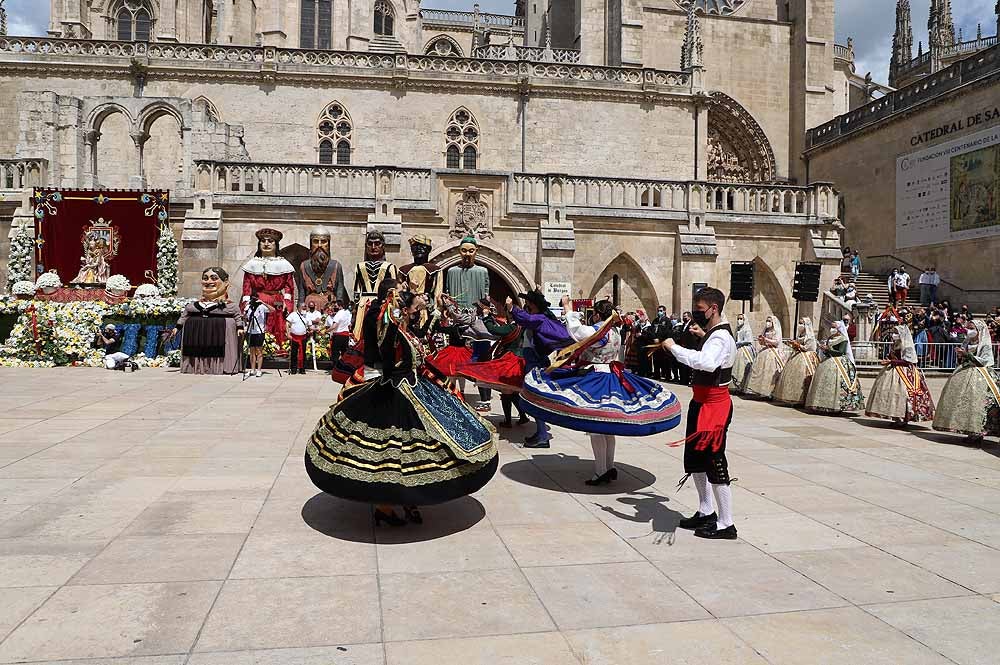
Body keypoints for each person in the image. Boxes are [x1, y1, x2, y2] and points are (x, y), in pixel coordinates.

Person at [304, 288, 498, 527]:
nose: (419, 313)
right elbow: (383, 351)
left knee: (424, 447)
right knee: (389, 453)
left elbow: (423, 344)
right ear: (404, 310)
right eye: (416, 309)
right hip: (395, 391)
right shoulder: (393, 333)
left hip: (415, 388)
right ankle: (385, 508)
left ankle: (410, 501)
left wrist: (437, 313)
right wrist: (387, 319)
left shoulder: (408, 332)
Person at [521, 297, 681, 484]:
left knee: (596, 426)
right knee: (607, 428)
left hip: (597, 377)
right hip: (611, 374)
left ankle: (600, 471)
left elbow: (578, 332)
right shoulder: (614, 330)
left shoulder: (601, 330)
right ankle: (608, 467)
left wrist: (568, 309)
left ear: (597, 314)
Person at [663, 287, 738, 540]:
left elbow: (707, 363)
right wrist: (702, 335)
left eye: (700, 309)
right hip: (701, 402)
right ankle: (706, 510)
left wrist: (674, 348)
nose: (696, 313)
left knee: (714, 461)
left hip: (714, 407)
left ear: (713, 309)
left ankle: (727, 523)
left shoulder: (719, 338)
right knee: (695, 460)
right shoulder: (713, 335)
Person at [508, 288, 574, 447]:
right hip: (534, 361)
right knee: (533, 396)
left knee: (535, 397)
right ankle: (540, 432)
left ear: (532, 304)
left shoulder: (538, 318)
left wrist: (511, 308)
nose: (526, 304)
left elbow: (524, 318)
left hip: (535, 363)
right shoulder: (539, 317)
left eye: (528, 302)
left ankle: (542, 436)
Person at [456, 298, 531, 428]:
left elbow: (493, 330)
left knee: (506, 392)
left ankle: (508, 421)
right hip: (519, 360)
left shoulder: (512, 327)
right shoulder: (522, 326)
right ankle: (522, 416)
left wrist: (486, 317)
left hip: (510, 361)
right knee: (512, 392)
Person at [933, 319, 1000, 444]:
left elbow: (985, 361)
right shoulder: (967, 341)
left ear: (979, 330)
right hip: (964, 372)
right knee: (962, 403)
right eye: (968, 328)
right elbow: (963, 359)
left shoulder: (984, 343)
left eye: (972, 328)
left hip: (980, 375)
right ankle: (968, 430)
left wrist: (967, 355)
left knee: (977, 404)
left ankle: (978, 433)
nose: (969, 331)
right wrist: (960, 355)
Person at [171, 267, 244, 375]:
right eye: (205, 278)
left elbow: (237, 316)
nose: (209, 281)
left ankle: (221, 366)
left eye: (214, 278)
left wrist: (239, 328)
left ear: (225, 283)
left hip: (219, 334)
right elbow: (184, 315)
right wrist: (177, 328)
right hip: (197, 336)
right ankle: (194, 366)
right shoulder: (193, 306)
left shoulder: (229, 306)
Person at [865, 324, 935, 426]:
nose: (894, 335)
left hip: (905, 372)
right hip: (893, 369)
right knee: (892, 394)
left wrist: (891, 361)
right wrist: (889, 358)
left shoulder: (906, 345)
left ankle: (904, 418)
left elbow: (908, 361)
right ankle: (897, 417)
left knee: (903, 394)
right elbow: (893, 355)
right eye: (894, 333)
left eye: (896, 333)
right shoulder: (895, 344)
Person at [241, 228, 295, 350]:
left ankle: (276, 348)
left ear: (276, 245)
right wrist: (246, 303)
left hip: (277, 301)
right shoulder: (252, 264)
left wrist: (287, 302)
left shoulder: (284, 265)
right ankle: (257, 350)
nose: (266, 244)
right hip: (258, 300)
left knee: (278, 324)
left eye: (270, 241)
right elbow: (246, 287)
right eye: (263, 241)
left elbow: (289, 287)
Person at [806, 320, 864, 414]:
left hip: (839, 362)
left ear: (839, 328)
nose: (832, 329)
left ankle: (838, 406)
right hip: (828, 361)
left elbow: (841, 352)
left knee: (838, 383)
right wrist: (824, 349)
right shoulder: (830, 338)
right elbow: (828, 351)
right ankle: (823, 404)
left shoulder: (843, 339)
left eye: (834, 327)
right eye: (831, 327)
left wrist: (828, 349)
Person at [352, 230, 399, 339]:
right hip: (363, 305)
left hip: (383, 304)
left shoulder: (390, 267)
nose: (373, 247)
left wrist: (394, 310)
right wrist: (355, 310)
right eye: (370, 244)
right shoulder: (359, 266)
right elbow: (356, 290)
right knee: (361, 335)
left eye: (377, 244)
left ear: (383, 246)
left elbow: (394, 290)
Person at [298, 226, 349, 311]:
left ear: (328, 245)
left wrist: (339, 304)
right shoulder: (304, 266)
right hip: (310, 305)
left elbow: (340, 288)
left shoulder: (336, 266)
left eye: (323, 242)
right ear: (311, 244)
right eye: (315, 241)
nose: (319, 245)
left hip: (330, 305)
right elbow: (302, 290)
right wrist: (300, 305)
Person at [772, 317, 819, 406]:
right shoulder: (800, 335)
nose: (800, 325)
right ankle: (793, 397)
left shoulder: (810, 336)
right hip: (798, 355)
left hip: (807, 358)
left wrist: (798, 345)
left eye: (802, 323)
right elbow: (797, 346)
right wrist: (793, 344)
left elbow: (808, 348)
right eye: (799, 323)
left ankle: (804, 398)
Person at [744, 315, 784, 398]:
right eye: (767, 320)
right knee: (759, 370)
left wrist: (766, 340)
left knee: (769, 371)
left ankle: (768, 392)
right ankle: (757, 390)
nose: (767, 322)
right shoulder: (766, 330)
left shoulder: (776, 331)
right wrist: (761, 340)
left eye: (769, 321)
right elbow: (763, 343)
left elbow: (777, 342)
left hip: (772, 352)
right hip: (764, 351)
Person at [243, 294, 272, 378]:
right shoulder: (248, 307)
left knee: (259, 351)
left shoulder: (261, 306)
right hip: (250, 331)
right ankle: (253, 369)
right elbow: (245, 317)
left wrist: (263, 302)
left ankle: (259, 370)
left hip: (259, 331)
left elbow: (272, 310)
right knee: (251, 352)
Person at [730, 313, 756, 395]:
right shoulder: (737, 329)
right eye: (738, 318)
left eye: (741, 319)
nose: (739, 320)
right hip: (738, 348)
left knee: (743, 366)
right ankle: (736, 386)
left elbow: (748, 340)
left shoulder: (747, 329)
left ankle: (742, 386)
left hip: (745, 349)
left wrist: (739, 343)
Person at [286, 302, 311, 374]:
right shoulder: (293, 315)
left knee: (303, 353)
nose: (304, 308)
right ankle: (293, 368)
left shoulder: (307, 315)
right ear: (298, 308)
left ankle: (302, 368)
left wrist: (314, 329)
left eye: (305, 307)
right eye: (303, 307)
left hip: (303, 337)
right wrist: (288, 334)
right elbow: (287, 323)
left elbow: (309, 325)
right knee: (294, 353)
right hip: (294, 337)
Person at [326, 299, 353, 365]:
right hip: (346, 335)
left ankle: (336, 367)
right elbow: (350, 325)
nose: (334, 308)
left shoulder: (338, 314)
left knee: (335, 352)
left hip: (338, 335)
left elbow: (334, 326)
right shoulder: (347, 313)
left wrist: (326, 331)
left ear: (340, 306)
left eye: (335, 306)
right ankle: (344, 367)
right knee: (344, 352)